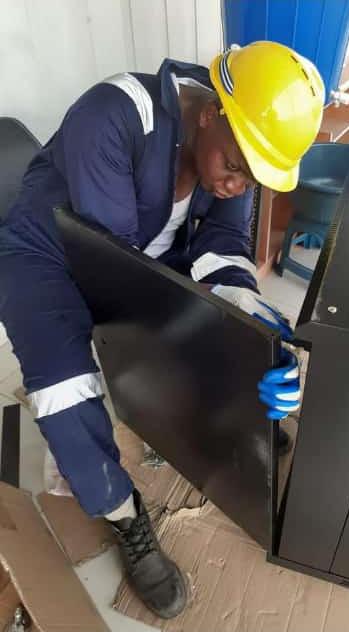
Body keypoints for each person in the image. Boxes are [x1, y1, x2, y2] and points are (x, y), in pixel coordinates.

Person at [0, 41, 324, 618]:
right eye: (235, 168)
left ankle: (226, 418)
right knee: (64, 395)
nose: (237, 188)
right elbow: (118, 279)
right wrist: (208, 336)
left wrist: (256, 327)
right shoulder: (113, 115)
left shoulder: (228, 155)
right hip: (46, 254)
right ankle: (124, 514)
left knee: (231, 323)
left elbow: (223, 245)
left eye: (253, 180)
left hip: (136, 253)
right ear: (210, 113)